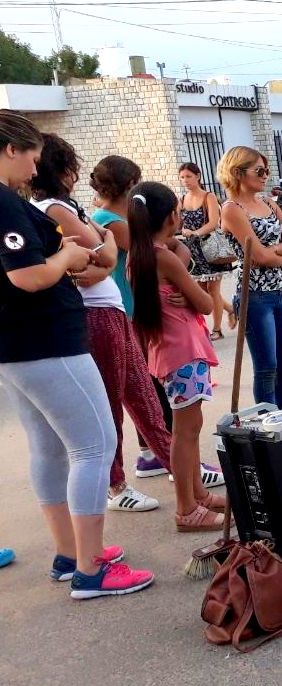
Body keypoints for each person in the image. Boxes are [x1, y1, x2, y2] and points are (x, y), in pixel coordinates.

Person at [0, 109, 152, 598]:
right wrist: (65, 256)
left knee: (48, 447)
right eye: (33, 156)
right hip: (46, 340)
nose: (35, 166)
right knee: (94, 444)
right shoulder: (6, 204)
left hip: (19, 345)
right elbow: (26, 276)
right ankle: (91, 569)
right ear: (11, 150)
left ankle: (70, 554)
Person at [33, 138, 176, 515]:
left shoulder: (68, 207)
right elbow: (100, 260)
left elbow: (102, 259)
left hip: (109, 311)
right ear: (64, 169)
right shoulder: (55, 209)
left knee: (144, 396)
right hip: (95, 316)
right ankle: (116, 485)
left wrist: (104, 253)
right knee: (110, 404)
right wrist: (105, 249)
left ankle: (177, 463)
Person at [127, 180, 225, 533]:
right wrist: (193, 291)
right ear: (171, 216)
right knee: (184, 433)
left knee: (190, 428)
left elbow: (180, 258)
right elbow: (205, 303)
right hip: (183, 352)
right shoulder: (162, 257)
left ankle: (198, 494)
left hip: (169, 352)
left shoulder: (140, 256)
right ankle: (186, 508)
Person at [217, 146, 282, 409]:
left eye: (267, 170)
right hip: (255, 296)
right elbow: (260, 256)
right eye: (260, 170)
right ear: (237, 172)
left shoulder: (268, 203)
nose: (266, 176)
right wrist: (281, 254)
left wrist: (275, 252)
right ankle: (268, 422)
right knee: (267, 367)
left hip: (280, 291)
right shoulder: (232, 209)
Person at [178, 162, 235, 339]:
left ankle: (216, 329)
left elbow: (213, 222)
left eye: (189, 176)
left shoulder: (208, 197)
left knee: (213, 288)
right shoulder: (181, 199)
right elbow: (178, 223)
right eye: (182, 177)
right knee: (202, 290)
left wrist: (195, 233)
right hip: (193, 250)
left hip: (211, 247)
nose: (185, 180)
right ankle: (231, 310)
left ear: (198, 176)